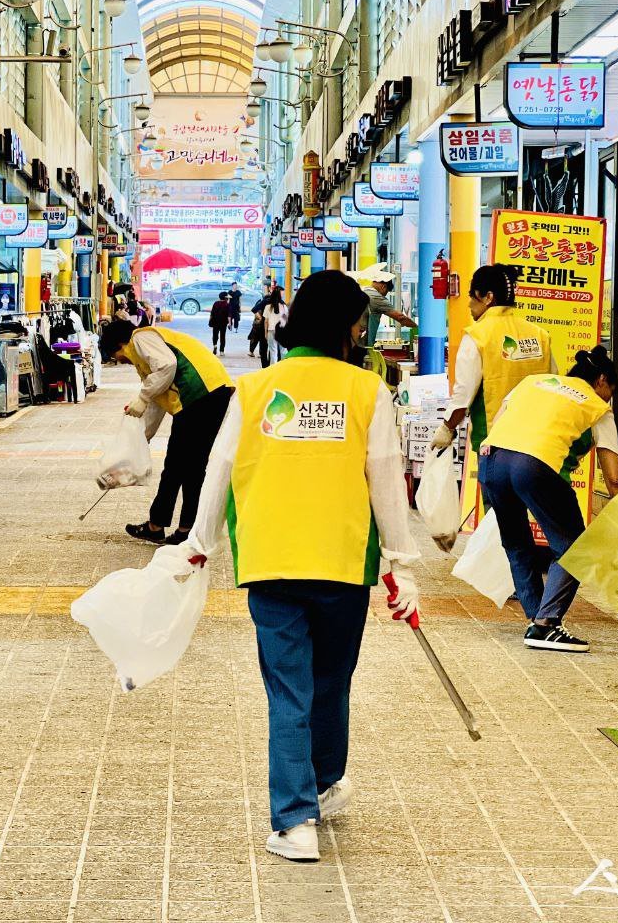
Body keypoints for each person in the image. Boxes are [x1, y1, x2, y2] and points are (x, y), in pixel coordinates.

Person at [184, 270, 420, 863]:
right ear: (346, 326)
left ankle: (296, 822)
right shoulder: (368, 390)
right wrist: (401, 562)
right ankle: (323, 783)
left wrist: (199, 541)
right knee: (332, 680)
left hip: (271, 559)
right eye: (360, 322)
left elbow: (220, 467)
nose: (363, 332)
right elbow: (385, 477)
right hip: (343, 559)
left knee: (289, 689)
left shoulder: (255, 388)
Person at [479, 347, 618, 653]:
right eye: (610, 392)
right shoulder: (597, 407)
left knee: (517, 543)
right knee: (575, 548)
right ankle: (545, 624)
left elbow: (499, 422)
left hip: (492, 462)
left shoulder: (534, 382)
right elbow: (613, 479)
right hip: (534, 466)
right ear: (601, 380)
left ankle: (537, 619)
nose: (608, 399)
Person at [98, 319, 233, 545]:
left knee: (179, 467)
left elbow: (167, 366)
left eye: (117, 356)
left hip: (200, 395)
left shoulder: (140, 338)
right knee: (189, 467)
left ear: (120, 344)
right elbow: (158, 400)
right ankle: (181, 528)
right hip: (210, 395)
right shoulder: (146, 354)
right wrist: (141, 440)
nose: (121, 361)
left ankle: (163, 526)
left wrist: (142, 397)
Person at [433, 263, 555, 454]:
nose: (469, 304)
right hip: (537, 440)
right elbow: (553, 384)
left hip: (495, 440)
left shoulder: (477, 336)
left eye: (472, 296)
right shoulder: (539, 335)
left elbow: (463, 395)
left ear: (488, 297)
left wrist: (447, 429)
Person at [356, 264, 416, 345]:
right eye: (386, 292)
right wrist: (417, 328)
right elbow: (400, 317)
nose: (384, 295)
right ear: (383, 287)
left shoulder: (363, 292)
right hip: (360, 343)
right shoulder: (376, 297)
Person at [262, 288, 288, 368]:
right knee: (283, 351)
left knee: (273, 352)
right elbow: (285, 321)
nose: (283, 295)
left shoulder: (268, 307)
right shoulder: (284, 307)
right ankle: (284, 368)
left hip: (271, 331)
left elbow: (266, 321)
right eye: (282, 294)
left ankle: (273, 369)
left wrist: (265, 333)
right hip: (281, 331)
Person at [208, 291, 231, 355]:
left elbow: (212, 313)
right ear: (225, 298)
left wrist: (210, 320)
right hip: (223, 323)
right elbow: (229, 315)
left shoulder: (215, 303)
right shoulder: (227, 304)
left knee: (215, 335)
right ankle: (221, 351)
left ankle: (215, 345)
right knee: (222, 336)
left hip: (215, 322)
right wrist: (229, 323)